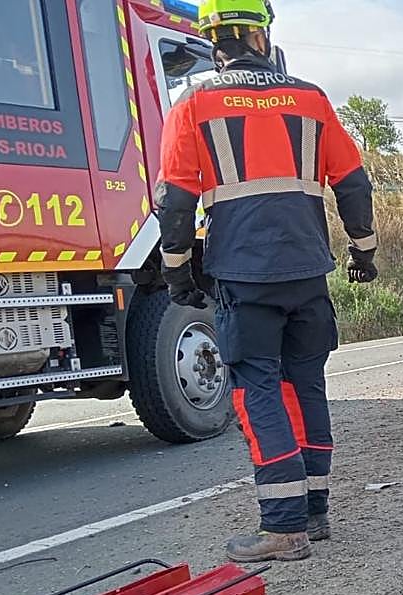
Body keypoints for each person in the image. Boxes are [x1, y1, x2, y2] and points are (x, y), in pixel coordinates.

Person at [155, 0, 378, 562]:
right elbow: (353, 183)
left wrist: (178, 271)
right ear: (263, 34)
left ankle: (282, 526)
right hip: (308, 271)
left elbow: (176, 201)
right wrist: (364, 252)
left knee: (259, 389)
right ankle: (315, 512)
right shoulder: (311, 99)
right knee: (306, 383)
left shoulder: (194, 105)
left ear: (212, 40)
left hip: (244, 274)